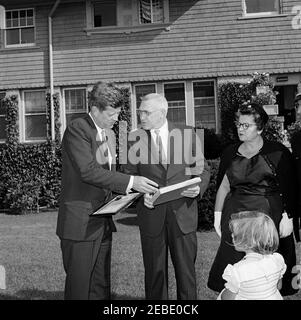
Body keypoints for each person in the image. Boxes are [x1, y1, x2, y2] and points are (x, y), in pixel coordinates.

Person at [56, 82, 158, 300]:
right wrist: (131, 181)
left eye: (118, 113)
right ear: (94, 110)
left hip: (101, 221)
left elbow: (108, 176)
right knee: (80, 289)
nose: (116, 119)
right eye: (112, 114)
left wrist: (127, 194)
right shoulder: (78, 129)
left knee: (100, 286)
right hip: (80, 224)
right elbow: (88, 172)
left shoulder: (107, 133)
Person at [123, 93, 210, 299]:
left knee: (186, 274)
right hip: (151, 216)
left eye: (146, 112)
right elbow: (129, 177)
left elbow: (203, 170)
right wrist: (138, 194)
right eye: (139, 112)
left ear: (162, 113)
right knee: (154, 275)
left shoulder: (187, 134)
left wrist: (198, 189)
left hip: (183, 216)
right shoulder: (134, 138)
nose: (141, 116)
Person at [207, 103, 299, 296]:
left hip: (268, 218)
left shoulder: (278, 152)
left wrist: (288, 216)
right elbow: (223, 186)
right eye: (239, 124)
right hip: (236, 219)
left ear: (260, 128)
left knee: (270, 267)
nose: (240, 129)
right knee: (234, 267)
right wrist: (217, 214)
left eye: (246, 125)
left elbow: (290, 187)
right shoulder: (229, 153)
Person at [218, 211, 286, 300]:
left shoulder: (238, 271)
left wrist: (223, 293)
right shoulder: (277, 259)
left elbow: (227, 298)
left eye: (234, 234)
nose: (231, 235)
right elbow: (278, 286)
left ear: (246, 241)